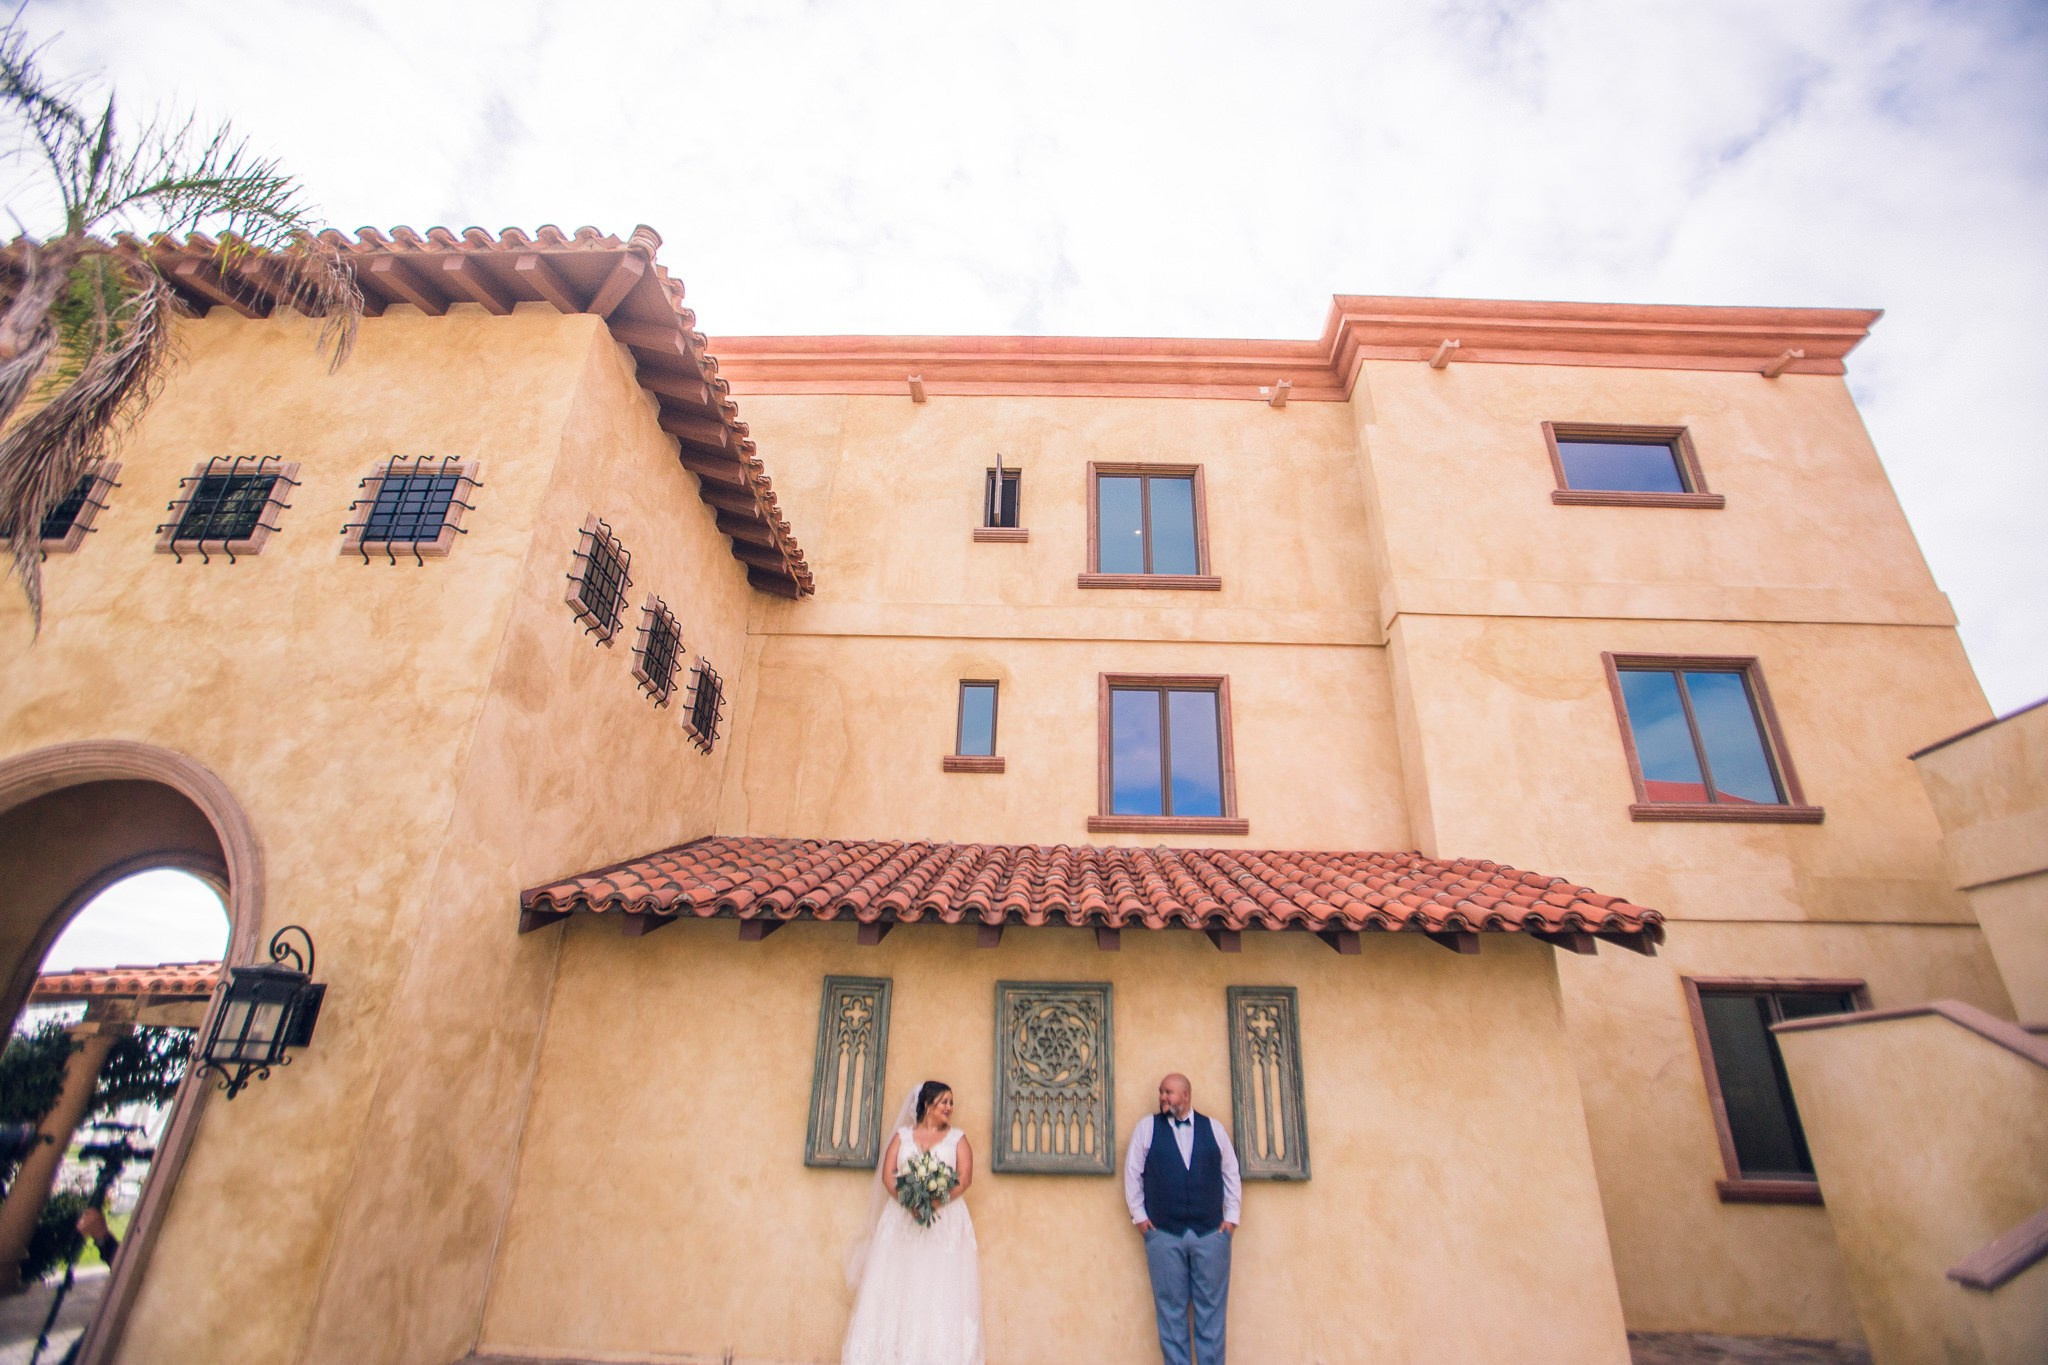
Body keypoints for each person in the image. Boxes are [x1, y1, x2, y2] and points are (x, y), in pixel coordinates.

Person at [841, 1079, 985, 1365]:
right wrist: (910, 1203)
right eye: (944, 1102)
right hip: (903, 1219)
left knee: (940, 1284)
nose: (949, 1108)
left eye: (951, 1103)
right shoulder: (902, 1136)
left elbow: (965, 1178)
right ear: (927, 1104)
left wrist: (933, 1202)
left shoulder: (958, 1138)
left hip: (945, 1222)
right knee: (898, 1281)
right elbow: (888, 1175)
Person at [1123, 1072, 1241, 1365]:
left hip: (1210, 1235)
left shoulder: (1213, 1128)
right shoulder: (1147, 1128)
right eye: (1161, 1092)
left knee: (1211, 1314)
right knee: (1171, 1314)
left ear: (1186, 1095)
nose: (1163, 1097)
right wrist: (1140, 1217)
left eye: (1169, 1092)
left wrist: (1231, 1220)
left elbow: (1231, 1173)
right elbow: (1132, 1173)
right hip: (1164, 1234)